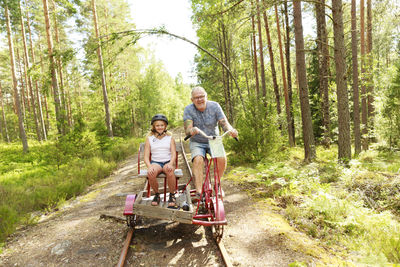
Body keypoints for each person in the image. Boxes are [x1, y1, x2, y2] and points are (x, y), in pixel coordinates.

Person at [183, 86, 238, 200]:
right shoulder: (188, 109)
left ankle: (217, 184)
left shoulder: (215, 106)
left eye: (202, 96)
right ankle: (199, 191)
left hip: (213, 139)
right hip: (197, 140)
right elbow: (187, 129)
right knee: (198, 159)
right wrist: (191, 130)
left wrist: (230, 130)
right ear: (192, 99)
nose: (199, 100)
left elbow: (224, 122)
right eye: (196, 98)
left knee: (221, 158)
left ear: (206, 97)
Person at [144, 114, 177, 207]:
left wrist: (171, 163)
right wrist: (149, 166)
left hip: (167, 162)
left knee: (169, 170)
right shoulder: (150, 139)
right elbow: (146, 156)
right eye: (157, 125)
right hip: (156, 163)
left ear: (165, 126)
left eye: (162, 125)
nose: (160, 127)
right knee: (151, 173)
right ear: (154, 126)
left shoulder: (170, 138)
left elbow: (173, 153)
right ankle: (157, 194)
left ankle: (172, 194)